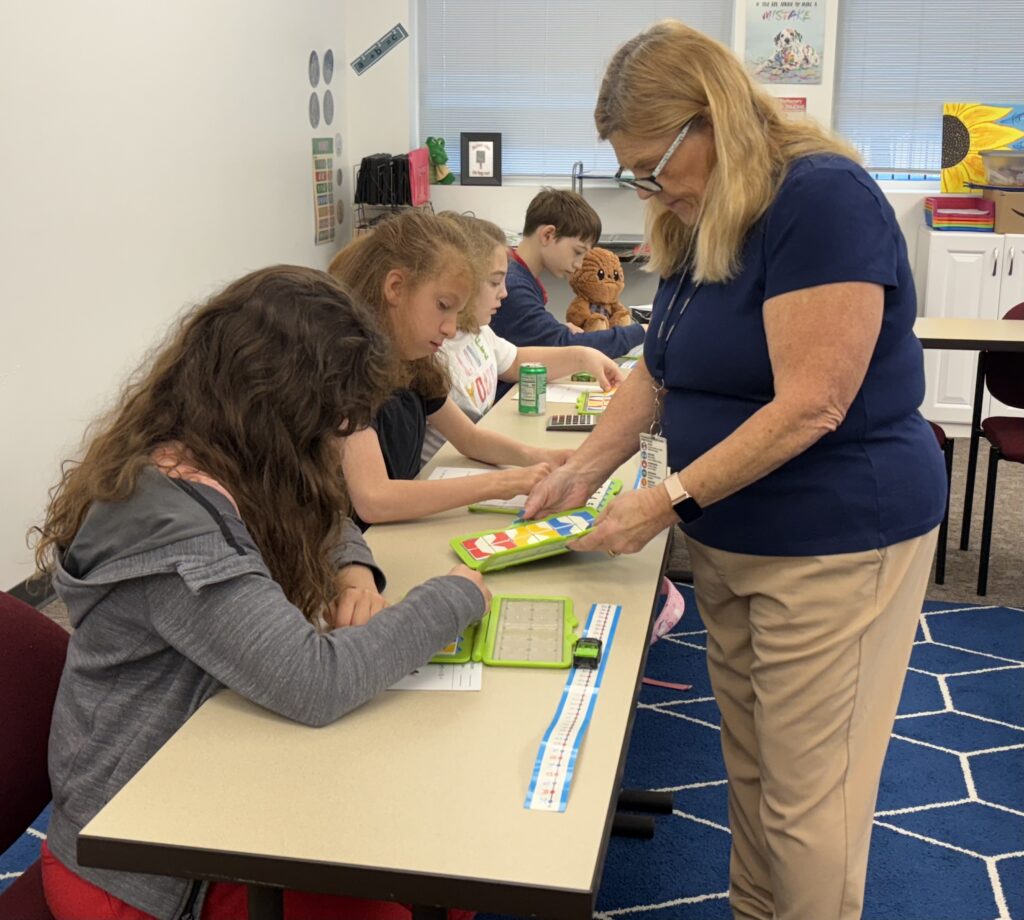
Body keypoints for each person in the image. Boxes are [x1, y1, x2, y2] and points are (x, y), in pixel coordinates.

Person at [524, 21, 946, 920]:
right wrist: (586, 468)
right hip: (735, 536)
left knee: (810, 800)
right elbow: (662, 366)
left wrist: (665, 500)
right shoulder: (703, 209)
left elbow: (814, 403)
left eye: (650, 166)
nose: (646, 188)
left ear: (707, 121)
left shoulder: (821, 200)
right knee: (754, 769)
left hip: (832, 540)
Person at [33, 266, 486, 920]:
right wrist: (452, 599)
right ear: (277, 409)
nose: (335, 440)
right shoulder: (169, 528)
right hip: (132, 869)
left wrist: (352, 573)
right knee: (407, 889)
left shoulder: (226, 454)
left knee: (438, 868)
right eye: (330, 424)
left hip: (208, 786)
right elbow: (313, 681)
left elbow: (323, 512)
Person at [328, 209, 569, 527]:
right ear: (395, 287)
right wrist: (504, 485)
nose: (450, 328)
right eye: (443, 306)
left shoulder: (414, 362)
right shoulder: (344, 368)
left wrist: (539, 457)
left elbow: (469, 438)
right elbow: (374, 499)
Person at [421, 211, 626, 464]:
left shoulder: (478, 331)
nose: (504, 293)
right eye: (495, 282)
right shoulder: (431, 347)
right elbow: (468, 439)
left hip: (479, 459)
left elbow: (517, 361)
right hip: (449, 472)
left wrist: (584, 356)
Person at [489, 188, 646, 363]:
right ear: (548, 235)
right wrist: (642, 331)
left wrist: (556, 329)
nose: (579, 264)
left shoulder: (519, 275)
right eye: (577, 252)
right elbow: (563, 346)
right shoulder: (513, 285)